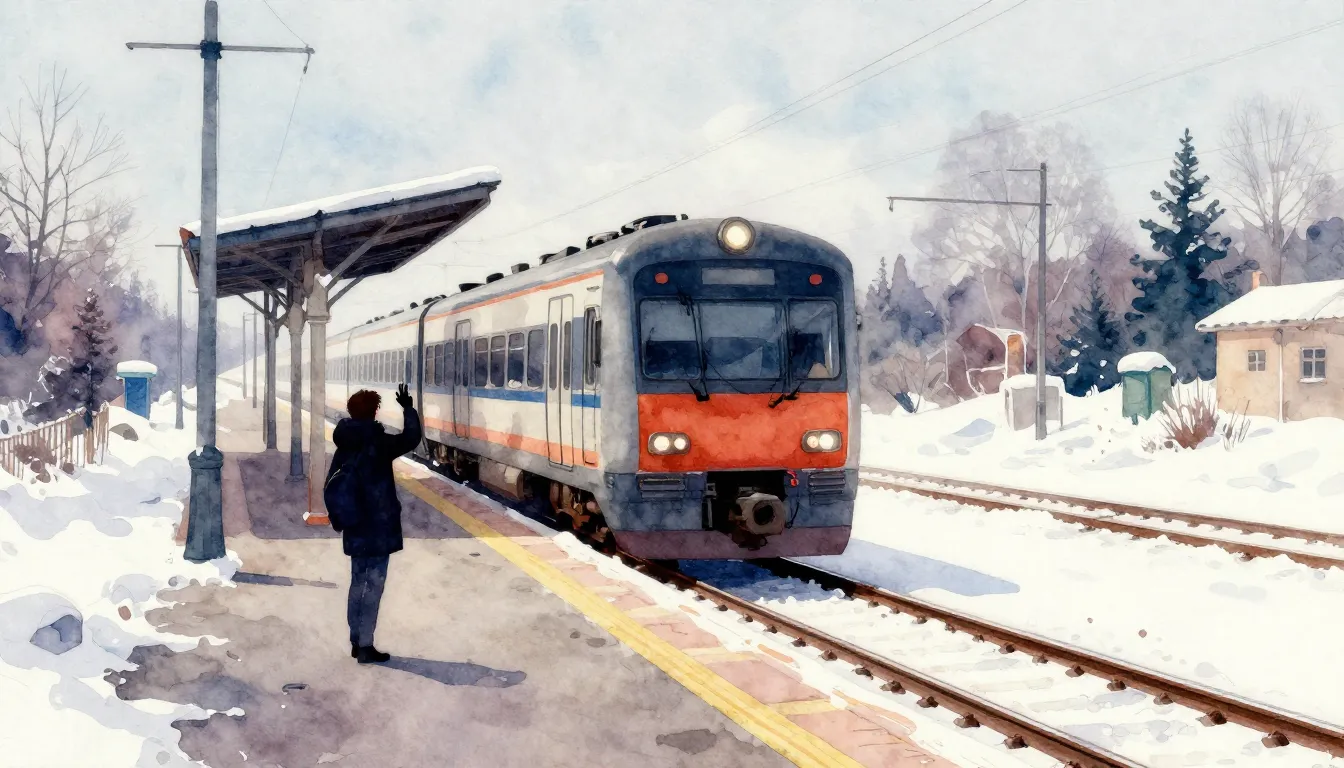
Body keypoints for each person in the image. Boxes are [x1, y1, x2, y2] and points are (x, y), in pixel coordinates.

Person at [327, 383, 422, 663]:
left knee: (358, 581)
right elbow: (411, 438)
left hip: (355, 524)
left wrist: (343, 515)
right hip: (379, 525)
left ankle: (356, 640)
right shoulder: (380, 444)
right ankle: (366, 645)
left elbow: (332, 484)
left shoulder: (343, 445)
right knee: (374, 584)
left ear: (351, 411)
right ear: (375, 411)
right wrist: (408, 409)